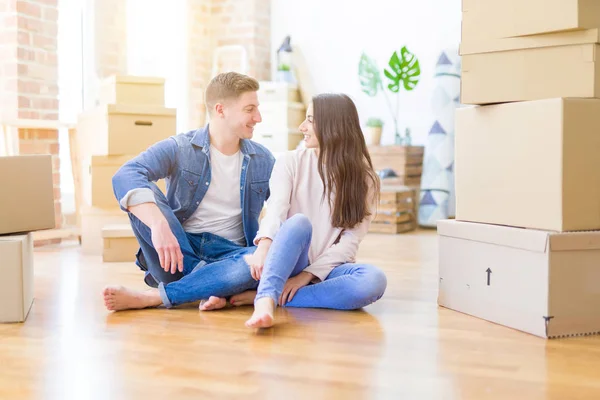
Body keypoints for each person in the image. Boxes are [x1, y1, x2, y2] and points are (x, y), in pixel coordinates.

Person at [102, 71, 276, 311]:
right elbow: (125, 175)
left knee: (267, 256)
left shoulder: (263, 160)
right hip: (177, 252)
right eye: (249, 109)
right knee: (145, 192)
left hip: (231, 255)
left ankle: (159, 296)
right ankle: (212, 284)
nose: (258, 117)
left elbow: (281, 209)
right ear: (220, 109)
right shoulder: (181, 148)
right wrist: (159, 225)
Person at [238, 93, 388, 328]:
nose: (302, 127)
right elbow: (275, 210)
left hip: (326, 270)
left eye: (310, 120)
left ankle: (275, 296)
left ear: (332, 126)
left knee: (373, 280)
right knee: (298, 223)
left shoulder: (365, 178)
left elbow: (350, 241)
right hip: (289, 261)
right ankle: (265, 299)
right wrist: (265, 247)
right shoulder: (290, 161)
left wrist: (307, 276)